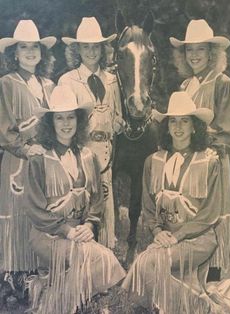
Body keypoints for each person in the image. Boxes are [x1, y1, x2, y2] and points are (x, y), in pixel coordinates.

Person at [122, 91, 228, 313]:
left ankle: (202, 308)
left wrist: (177, 236)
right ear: (166, 127)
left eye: (184, 121)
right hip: (165, 238)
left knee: (148, 264)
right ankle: (186, 302)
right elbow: (149, 207)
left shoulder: (209, 160)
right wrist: (158, 230)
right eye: (173, 121)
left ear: (194, 126)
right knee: (143, 271)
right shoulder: (153, 161)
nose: (178, 127)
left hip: (198, 240)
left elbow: (210, 213)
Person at [24, 85, 126, 314]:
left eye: (70, 117)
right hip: (47, 236)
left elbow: (97, 200)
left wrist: (90, 225)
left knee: (97, 260)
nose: (66, 123)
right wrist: (67, 231)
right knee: (103, 259)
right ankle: (58, 305)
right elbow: (34, 209)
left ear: (79, 120)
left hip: (79, 235)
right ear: (50, 123)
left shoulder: (88, 156)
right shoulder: (39, 158)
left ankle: (52, 299)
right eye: (59, 118)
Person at [169, 19, 230, 276]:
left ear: (212, 53)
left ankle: (216, 271)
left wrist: (203, 147)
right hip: (188, 159)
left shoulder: (222, 82)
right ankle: (189, 263)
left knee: (214, 212)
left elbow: (227, 131)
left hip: (213, 159)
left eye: (200, 49)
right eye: (189, 50)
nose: (194, 55)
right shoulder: (186, 86)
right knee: (191, 208)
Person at [58, 17, 123, 249]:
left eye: (96, 46)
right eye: (86, 46)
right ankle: (81, 247)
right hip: (81, 148)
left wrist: (116, 123)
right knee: (84, 196)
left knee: (104, 197)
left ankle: (105, 251)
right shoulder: (68, 80)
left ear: (103, 49)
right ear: (78, 49)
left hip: (106, 150)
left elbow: (118, 117)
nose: (91, 51)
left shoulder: (113, 80)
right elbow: (64, 121)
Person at [0, 19, 56, 273]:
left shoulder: (49, 85)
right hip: (19, 159)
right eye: (24, 47)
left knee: (41, 212)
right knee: (18, 212)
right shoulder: (7, 83)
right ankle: (15, 276)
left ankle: (39, 270)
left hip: (43, 159)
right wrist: (24, 148)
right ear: (15, 53)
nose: (31, 52)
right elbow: (4, 129)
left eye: (35, 47)